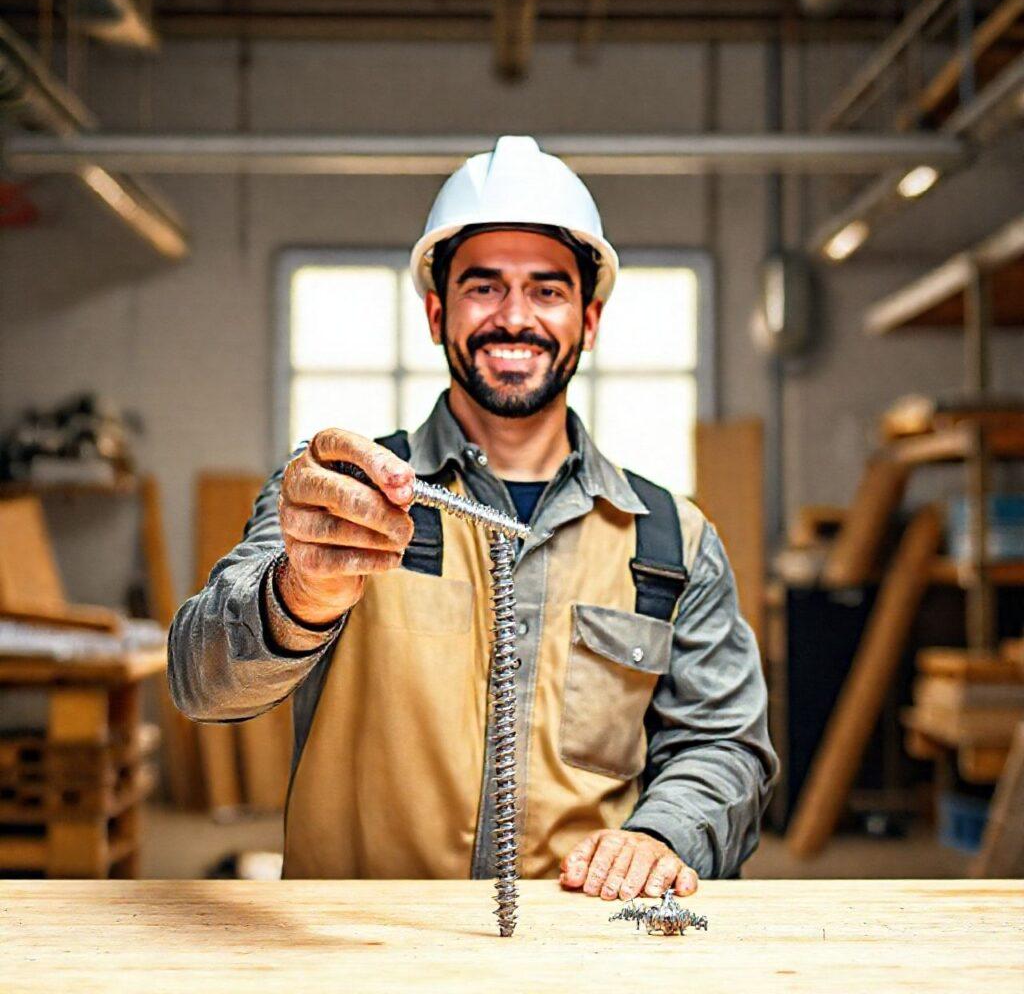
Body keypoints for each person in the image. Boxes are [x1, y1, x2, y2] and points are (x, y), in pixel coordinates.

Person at [169, 135, 777, 902]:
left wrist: (660, 838)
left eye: (548, 291)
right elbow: (201, 683)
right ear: (435, 311)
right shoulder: (337, 506)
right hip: (355, 954)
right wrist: (297, 597)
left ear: (590, 319)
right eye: (483, 288)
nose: (515, 317)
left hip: (580, 951)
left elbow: (724, 746)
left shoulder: (670, 540)